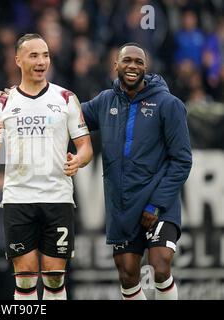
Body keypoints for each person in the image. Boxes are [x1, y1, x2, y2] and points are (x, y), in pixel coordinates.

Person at [0, 33, 93, 300]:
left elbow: (85, 146)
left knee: (54, 276)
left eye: (45, 55)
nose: (42, 61)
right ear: (17, 60)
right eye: (34, 55)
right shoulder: (3, 103)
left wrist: (79, 159)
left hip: (57, 197)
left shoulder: (65, 98)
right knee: (26, 277)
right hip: (19, 197)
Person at [81, 43, 192, 299]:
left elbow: (182, 160)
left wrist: (156, 204)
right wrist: (25, 95)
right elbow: (69, 113)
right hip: (122, 204)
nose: (133, 66)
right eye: (127, 61)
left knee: (161, 264)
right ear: (116, 65)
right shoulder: (104, 101)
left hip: (158, 204)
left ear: (146, 68)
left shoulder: (168, 104)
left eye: (139, 62)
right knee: (127, 273)